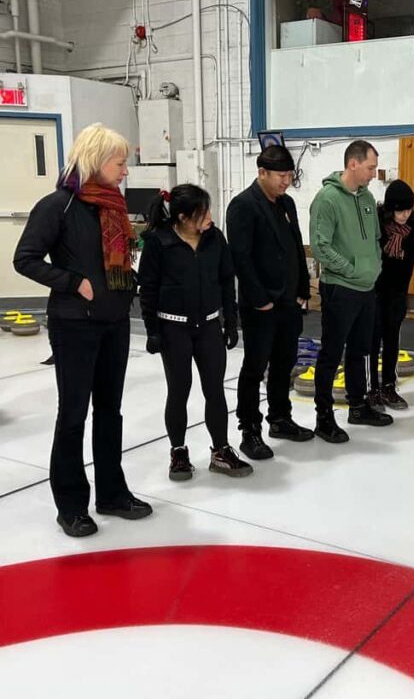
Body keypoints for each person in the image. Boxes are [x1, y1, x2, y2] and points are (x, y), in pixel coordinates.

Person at [13, 123, 152, 537]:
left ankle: (112, 493)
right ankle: (71, 505)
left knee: (111, 411)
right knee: (73, 414)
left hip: (114, 322)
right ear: (96, 160)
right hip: (74, 325)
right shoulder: (58, 206)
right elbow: (26, 259)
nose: (125, 170)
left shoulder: (113, 206)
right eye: (120, 162)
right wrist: (75, 282)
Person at [139, 183, 252, 480]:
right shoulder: (158, 242)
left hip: (209, 326)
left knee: (214, 390)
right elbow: (148, 289)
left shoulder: (215, 238)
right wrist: (152, 329)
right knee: (179, 390)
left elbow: (227, 280)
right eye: (202, 213)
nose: (209, 218)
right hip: (173, 328)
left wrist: (230, 321)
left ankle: (220, 450)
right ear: (182, 218)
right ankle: (178, 451)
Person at [226, 146, 313, 461]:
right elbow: (241, 258)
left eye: (290, 175)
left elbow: (295, 247)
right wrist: (259, 299)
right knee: (255, 367)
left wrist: (303, 287)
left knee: (284, 363)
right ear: (262, 172)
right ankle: (250, 430)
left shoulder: (287, 203)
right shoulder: (243, 206)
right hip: (261, 306)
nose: (286, 182)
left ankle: (280, 418)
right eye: (281, 176)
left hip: (289, 302)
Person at [309, 140, 393, 443]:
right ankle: (324, 417)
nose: (374, 173)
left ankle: (357, 406)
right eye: (370, 167)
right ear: (353, 164)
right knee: (332, 354)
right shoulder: (327, 199)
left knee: (360, 350)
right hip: (341, 289)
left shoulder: (368, 197)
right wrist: (352, 269)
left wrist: (374, 267)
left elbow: (374, 240)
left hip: (366, 289)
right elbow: (321, 247)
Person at [366, 179, 414, 412]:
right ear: (390, 209)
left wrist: (401, 294)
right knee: (373, 339)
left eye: (408, 210)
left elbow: (409, 262)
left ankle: (389, 385)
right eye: (399, 210)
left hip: (397, 290)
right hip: (376, 290)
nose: (404, 215)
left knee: (392, 339)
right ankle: (373, 388)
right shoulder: (376, 223)